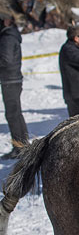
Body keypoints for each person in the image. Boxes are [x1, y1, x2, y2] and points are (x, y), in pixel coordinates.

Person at [0, 11, 29, 160]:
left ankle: (19, 147)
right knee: (16, 114)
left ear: (5, 22)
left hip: (10, 80)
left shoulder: (7, 38)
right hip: (12, 79)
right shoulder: (10, 36)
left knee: (12, 114)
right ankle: (22, 145)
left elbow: (6, 59)